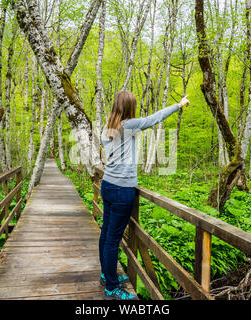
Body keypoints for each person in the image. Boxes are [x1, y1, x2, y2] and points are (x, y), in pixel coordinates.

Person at [99, 90, 190, 300]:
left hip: (107, 185)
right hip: (122, 188)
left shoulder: (108, 128)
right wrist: (179, 105)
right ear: (129, 107)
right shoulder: (128, 126)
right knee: (113, 239)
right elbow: (153, 119)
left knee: (106, 233)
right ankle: (111, 287)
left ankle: (107, 275)